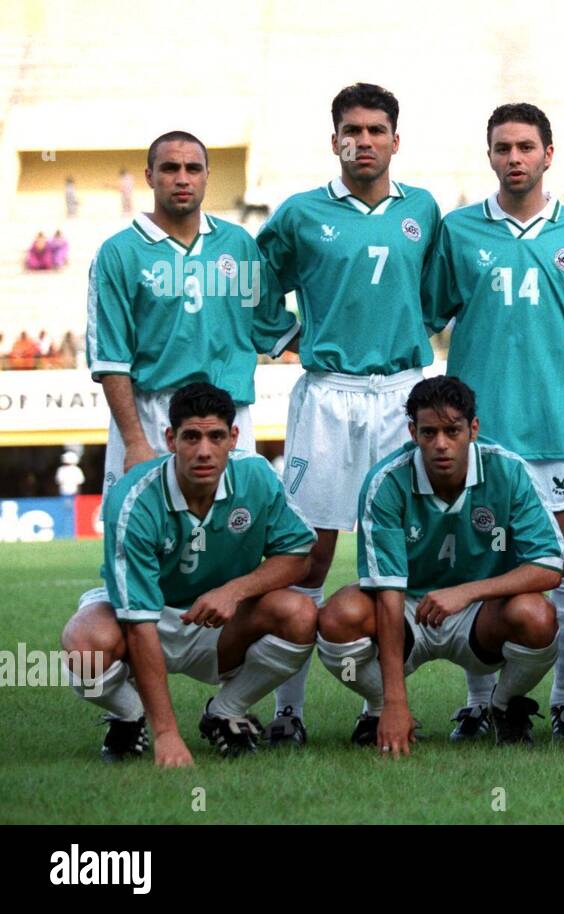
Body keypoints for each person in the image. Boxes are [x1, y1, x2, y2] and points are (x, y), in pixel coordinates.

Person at [256, 83, 455, 743]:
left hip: (403, 395)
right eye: (352, 130)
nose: (364, 141)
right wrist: (288, 339)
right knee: (308, 556)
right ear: (334, 138)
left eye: (376, 130)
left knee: (390, 554)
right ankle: (289, 711)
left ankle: (376, 706)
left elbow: (435, 297)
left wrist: (402, 340)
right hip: (328, 394)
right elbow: (253, 290)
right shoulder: (299, 214)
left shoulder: (423, 210)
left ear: (396, 139)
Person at [429, 102, 564, 740]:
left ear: (548, 153)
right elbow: (427, 312)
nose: (514, 158)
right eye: (502, 148)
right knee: (486, 566)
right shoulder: (458, 231)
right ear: (489, 156)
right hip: (482, 433)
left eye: (525, 147)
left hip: (562, 422)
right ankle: (483, 701)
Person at [60, 383, 317, 765]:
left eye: (215, 437)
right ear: (170, 439)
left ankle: (226, 712)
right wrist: (167, 733)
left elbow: (299, 554)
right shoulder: (133, 498)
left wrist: (235, 591)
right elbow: (138, 623)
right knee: (84, 645)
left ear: (233, 437)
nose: (203, 451)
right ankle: (130, 717)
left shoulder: (257, 477)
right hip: (145, 615)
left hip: (219, 622)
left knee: (300, 614)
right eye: (191, 437)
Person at [315, 376, 563, 750]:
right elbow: (388, 592)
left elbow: (548, 566)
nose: (441, 445)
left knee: (538, 616)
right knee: (338, 616)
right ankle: (379, 709)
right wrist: (394, 703)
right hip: (407, 609)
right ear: (412, 431)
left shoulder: (509, 471)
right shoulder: (387, 481)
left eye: (453, 431)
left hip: (481, 615)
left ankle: (502, 706)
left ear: (473, 429)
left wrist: (466, 592)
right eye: (429, 433)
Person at [87, 131, 295, 489]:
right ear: (150, 176)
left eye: (193, 168)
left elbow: (270, 328)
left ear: (206, 176)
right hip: (153, 415)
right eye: (170, 168)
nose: (182, 178)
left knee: (232, 537)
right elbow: (111, 359)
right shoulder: (119, 253)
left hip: (229, 416)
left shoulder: (238, 244)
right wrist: (136, 441)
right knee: (142, 539)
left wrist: (352, 344)